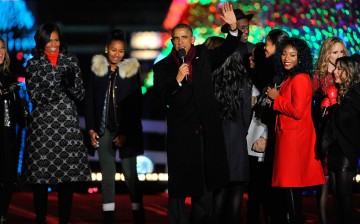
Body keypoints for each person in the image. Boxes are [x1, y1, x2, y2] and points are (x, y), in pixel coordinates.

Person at [152, 2, 240, 223]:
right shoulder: (162, 67)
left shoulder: (204, 56)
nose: (180, 42)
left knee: (205, 187)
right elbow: (161, 102)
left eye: (184, 37)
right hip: (180, 137)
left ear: (192, 39)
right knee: (179, 189)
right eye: (176, 38)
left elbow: (227, 49)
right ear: (172, 41)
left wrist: (233, 29)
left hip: (205, 135)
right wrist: (177, 81)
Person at [23, 22, 91, 224]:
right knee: (40, 180)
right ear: (41, 42)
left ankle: (64, 220)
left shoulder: (70, 60)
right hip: (43, 129)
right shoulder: (33, 64)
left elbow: (80, 95)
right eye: (49, 40)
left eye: (56, 40)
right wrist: (59, 84)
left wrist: (70, 84)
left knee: (67, 180)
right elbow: (36, 97)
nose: (53, 44)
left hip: (67, 126)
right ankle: (41, 219)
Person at [84, 29, 145, 224]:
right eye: (113, 50)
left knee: (131, 176)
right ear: (106, 49)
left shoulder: (131, 71)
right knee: (107, 177)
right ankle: (109, 218)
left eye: (121, 51)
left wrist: (126, 134)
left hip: (128, 132)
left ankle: (138, 215)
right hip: (104, 130)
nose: (117, 54)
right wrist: (91, 128)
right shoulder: (97, 71)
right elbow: (90, 101)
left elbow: (136, 106)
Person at [266, 37, 325, 223]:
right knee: (288, 188)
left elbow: (298, 111)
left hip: (294, 141)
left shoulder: (300, 78)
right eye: (284, 53)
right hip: (289, 138)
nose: (286, 58)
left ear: (301, 57)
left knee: (290, 187)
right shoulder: (290, 77)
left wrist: (276, 100)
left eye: (292, 54)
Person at [204, 36, 252, 223]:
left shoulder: (208, 80)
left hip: (218, 141)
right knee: (236, 196)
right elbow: (246, 114)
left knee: (219, 195)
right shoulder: (242, 80)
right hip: (238, 139)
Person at [247, 29, 290, 224]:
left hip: (272, 137)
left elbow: (276, 109)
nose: (265, 47)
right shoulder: (271, 71)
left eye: (268, 43)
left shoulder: (280, 74)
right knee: (261, 190)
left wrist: (266, 136)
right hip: (264, 135)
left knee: (269, 191)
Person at [312, 37, 348, 224]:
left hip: (341, 130)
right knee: (323, 179)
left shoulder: (347, 72)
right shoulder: (319, 74)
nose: (339, 55)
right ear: (327, 53)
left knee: (337, 182)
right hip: (323, 128)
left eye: (341, 52)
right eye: (335, 52)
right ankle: (323, 218)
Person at [322, 55, 360, 224]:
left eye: (339, 69)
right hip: (335, 148)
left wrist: (333, 104)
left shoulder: (356, 92)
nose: (334, 72)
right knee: (336, 194)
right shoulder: (341, 91)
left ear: (349, 72)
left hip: (346, 150)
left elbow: (346, 122)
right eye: (335, 68)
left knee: (344, 195)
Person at [0, 37, 26, 224]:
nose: (1, 52)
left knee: (9, 179)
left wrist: (20, 102)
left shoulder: (8, 76)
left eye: (2, 48)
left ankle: (2, 214)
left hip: (8, 133)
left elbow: (16, 111)